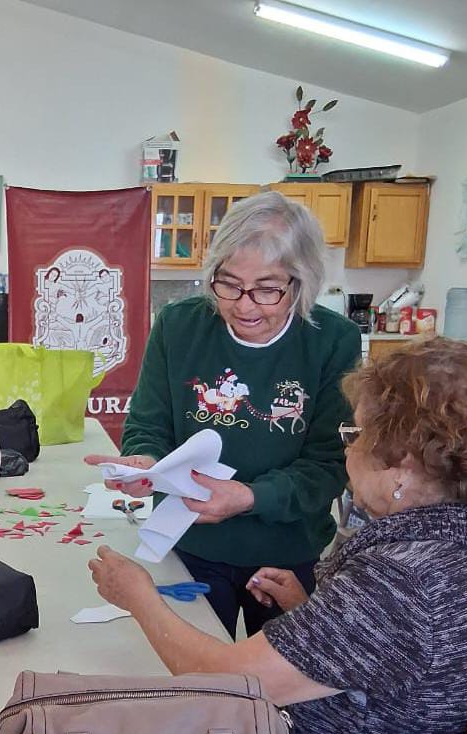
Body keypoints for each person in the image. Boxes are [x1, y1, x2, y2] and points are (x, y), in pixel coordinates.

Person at [88, 337, 467, 734]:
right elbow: (399, 660)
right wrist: (311, 615)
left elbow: (231, 681)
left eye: (357, 435)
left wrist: (139, 598)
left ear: (402, 468)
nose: (348, 452)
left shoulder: (406, 583)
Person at [87, 191, 362, 639]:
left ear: (302, 281)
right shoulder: (179, 325)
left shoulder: (333, 341)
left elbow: (329, 463)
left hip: (285, 552)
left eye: (267, 289)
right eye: (229, 283)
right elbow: (149, 422)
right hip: (189, 542)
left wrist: (249, 497)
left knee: (275, 694)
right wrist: (142, 461)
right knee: (197, 683)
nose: (244, 305)